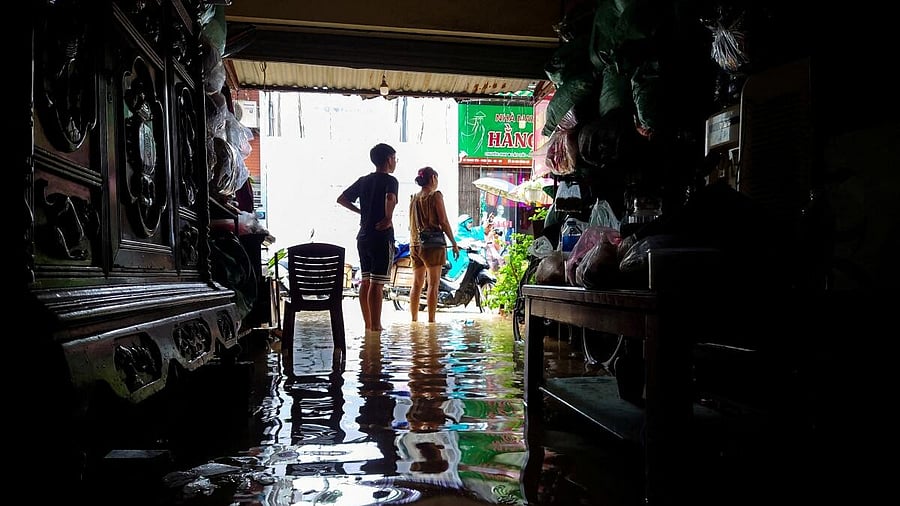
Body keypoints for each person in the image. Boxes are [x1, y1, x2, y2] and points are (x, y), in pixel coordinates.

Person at [337, 143, 399, 332]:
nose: (395, 162)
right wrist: (388, 218)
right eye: (394, 158)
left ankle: (368, 325)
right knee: (377, 283)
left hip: (363, 236)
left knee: (365, 281)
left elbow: (342, 199)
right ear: (388, 159)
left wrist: (361, 212)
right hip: (381, 236)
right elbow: (390, 198)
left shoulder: (363, 181)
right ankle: (376, 326)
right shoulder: (391, 181)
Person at [408, 167, 459, 323]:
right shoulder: (435, 196)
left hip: (415, 245)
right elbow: (443, 221)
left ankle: (414, 320)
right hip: (432, 246)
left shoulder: (414, 198)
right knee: (433, 284)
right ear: (433, 178)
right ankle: (431, 321)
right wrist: (454, 243)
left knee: (417, 284)